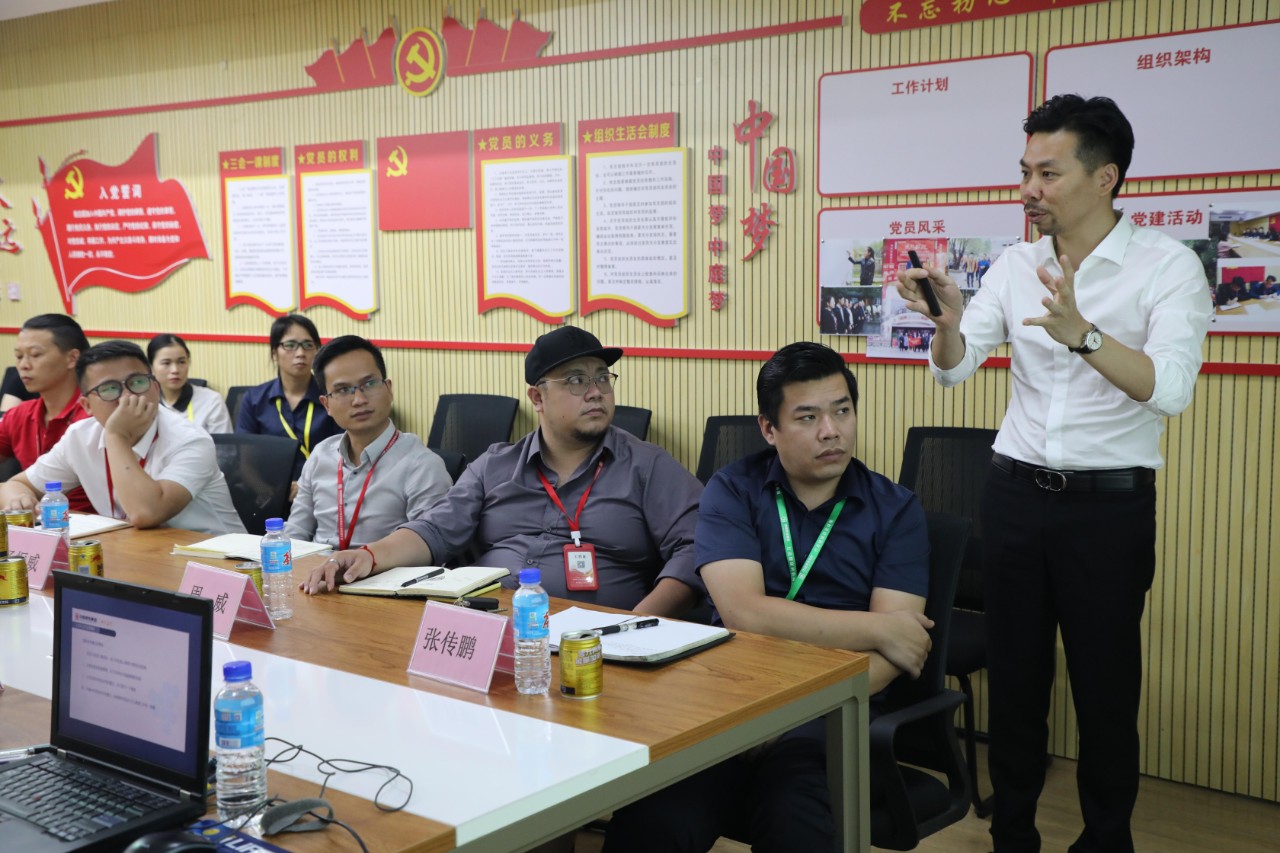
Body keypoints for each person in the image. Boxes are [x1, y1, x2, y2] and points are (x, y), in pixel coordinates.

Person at [896, 94, 1212, 853]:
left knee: (1106, 691)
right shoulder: (1016, 264)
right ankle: (1013, 836)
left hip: (1109, 510)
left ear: (1105, 177)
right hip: (1014, 496)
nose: (1029, 189)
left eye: (1048, 172)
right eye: (1025, 172)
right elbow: (955, 369)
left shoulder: (1167, 265)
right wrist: (946, 326)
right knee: (1016, 682)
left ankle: (1105, 839)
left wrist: (1085, 335)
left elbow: (1169, 389)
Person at [603, 342, 931, 853]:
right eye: (808, 417)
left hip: (834, 711)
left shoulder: (895, 509)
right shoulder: (732, 491)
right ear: (769, 428)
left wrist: (791, 712)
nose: (831, 431)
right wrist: (876, 627)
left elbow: (897, 652)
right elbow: (744, 613)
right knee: (654, 818)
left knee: (795, 819)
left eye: (842, 410)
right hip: (728, 697)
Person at [300, 326, 704, 617]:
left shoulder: (647, 465)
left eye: (602, 378)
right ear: (537, 398)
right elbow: (434, 529)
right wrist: (368, 556)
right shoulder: (495, 465)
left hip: (593, 638)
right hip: (484, 623)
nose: (596, 391)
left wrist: (637, 623)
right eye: (576, 381)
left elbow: (695, 549)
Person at [0, 341, 245, 536]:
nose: (128, 397)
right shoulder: (79, 436)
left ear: (155, 388)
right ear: (87, 405)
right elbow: (16, 484)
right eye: (109, 389)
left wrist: (116, 435)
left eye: (137, 383)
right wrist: (17, 498)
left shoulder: (190, 439)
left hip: (217, 563)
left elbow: (146, 513)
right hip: (138, 554)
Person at [285, 335, 451, 548]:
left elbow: (431, 547)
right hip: (316, 567)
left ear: (389, 389)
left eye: (370, 384)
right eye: (343, 390)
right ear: (326, 404)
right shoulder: (320, 455)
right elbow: (296, 533)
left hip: (383, 569)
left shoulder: (422, 466)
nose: (359, 400)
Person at [235, 314, 341, 495]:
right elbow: (245, 465)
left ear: (317, 351)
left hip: (324, 492)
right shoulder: (254, 399)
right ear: (274, 353)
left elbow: (344, 457)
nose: (300, 353)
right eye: (290, 345)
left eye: (308, 345)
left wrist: (308, 489)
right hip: (269, 495)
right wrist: (271, 494)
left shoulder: (332, 396)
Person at [0, 314, 94, 512]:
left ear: (72, 358)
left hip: (98, 525)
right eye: (19, 356)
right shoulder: (18, 415)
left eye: (35, 355)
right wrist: (14, 495)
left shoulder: (94, 415)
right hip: (39, 522)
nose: (23, 365)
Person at [147, 333, 233, 434]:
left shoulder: (211, 401)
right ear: (151, 367)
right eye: (166, 363)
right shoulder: (145, 403)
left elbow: (224, 444)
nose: (175, 370)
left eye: (182, 362)